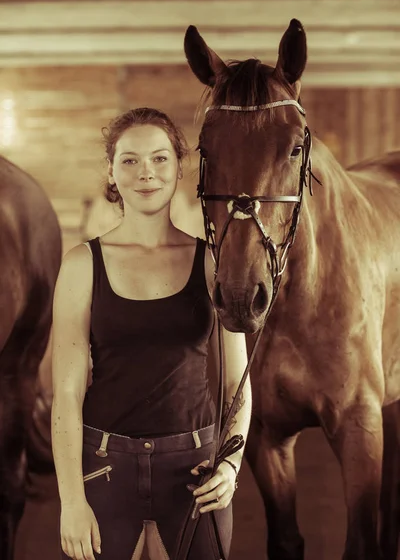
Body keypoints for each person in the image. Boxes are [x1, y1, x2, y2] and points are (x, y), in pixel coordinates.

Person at [51, 107, 251, 560]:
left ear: (179, 168)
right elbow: (65, 394)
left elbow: (237, 384)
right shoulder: (82, 264)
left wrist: (231, 465)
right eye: (130, 160)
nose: (146, 173)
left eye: (160, 159)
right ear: (111, 171)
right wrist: (70, 500)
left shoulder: (211, 262)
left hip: (195, 470)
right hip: (103, 468)